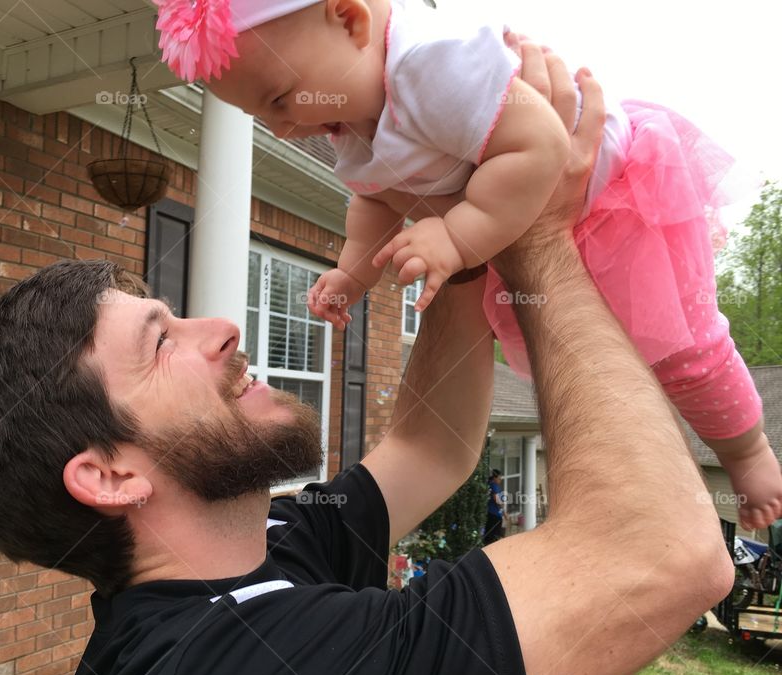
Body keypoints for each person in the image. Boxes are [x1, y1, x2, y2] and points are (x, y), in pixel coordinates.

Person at [0, 47, 734, 675]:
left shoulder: (269, 546)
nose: (222, 327)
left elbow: (429, 448)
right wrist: (544, 231)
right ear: (108, 475)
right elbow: (664, 554)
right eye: (161, 340)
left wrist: (476, 221)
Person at [154, 0, 782, 530]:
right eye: (260, 117)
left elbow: (538, 145)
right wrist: (353, 273)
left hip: (612, 201)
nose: (283, 127)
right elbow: (373, 198)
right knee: (589, 358)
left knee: (686, 347)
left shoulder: (432, 63)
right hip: (522, 212)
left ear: (350, 19)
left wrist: (454, 234)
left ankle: (748, 452)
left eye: (281, 99)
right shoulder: (345, 115)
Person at [485, 468, 507, 545]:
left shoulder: (491, 484)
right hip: (495, 514)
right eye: (499, 478)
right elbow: (497, 500)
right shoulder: (494, 486)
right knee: (494, 536)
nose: (500, 480)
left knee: (490, 534)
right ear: (495, 478)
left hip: (492, 513)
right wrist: (504, 513)